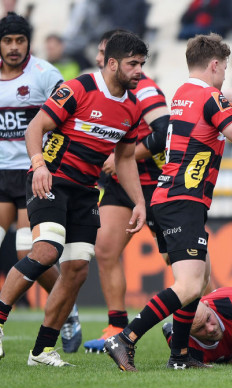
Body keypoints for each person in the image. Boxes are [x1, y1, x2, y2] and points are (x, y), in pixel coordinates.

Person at [103, 33, 232, 371]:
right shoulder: (211, 99)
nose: (226, 75)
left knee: (198, 283)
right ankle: (125, 337)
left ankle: (180, 356)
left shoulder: (186, 92)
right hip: (181, 201)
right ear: (215, 65)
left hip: (171, 198)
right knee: (188, 285)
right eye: (225, 68)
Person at [0, 31, 148, 366]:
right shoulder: (80, 87)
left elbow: (124, 159)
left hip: (85, 192)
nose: (139, 70)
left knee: (78, 268)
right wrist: (39, 165)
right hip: (51, 180)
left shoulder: (132, 108)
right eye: (133, 64)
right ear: (112, 63)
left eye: (142, 64)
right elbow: (35, 127)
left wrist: (139, 203)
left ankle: (42, 351)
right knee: (45, 251)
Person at [82, 29, 170, 353]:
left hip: (156, 183)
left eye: (104, 53)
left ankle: (217, 314)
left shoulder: (144, 89)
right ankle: (116, 327)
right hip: (120, 183)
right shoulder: (98, 90)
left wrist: (122, 157)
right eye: (100, 54)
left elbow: (163, 133)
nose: (99, 60)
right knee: (105, 248)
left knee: (179, 258)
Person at [0, 12, 81, 358]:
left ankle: (66, 309)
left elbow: (69, 116)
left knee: (26, 252)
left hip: (33, 172)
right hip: (1, 171)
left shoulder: (45, 75)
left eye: (20, 41)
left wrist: (50, 158)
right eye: (7, 41)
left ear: (28, 43)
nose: (14, 47)